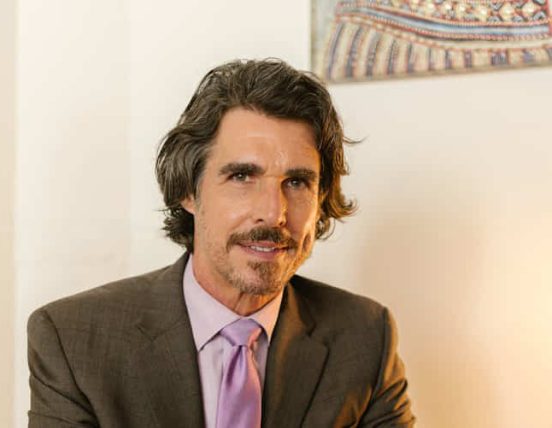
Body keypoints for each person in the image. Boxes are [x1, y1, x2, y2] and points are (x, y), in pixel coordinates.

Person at [27, 58, 415, 428]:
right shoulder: (73, 339)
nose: (273, 213)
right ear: (188, 190)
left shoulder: (365, 336)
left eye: (297, 182)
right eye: (242, 177)